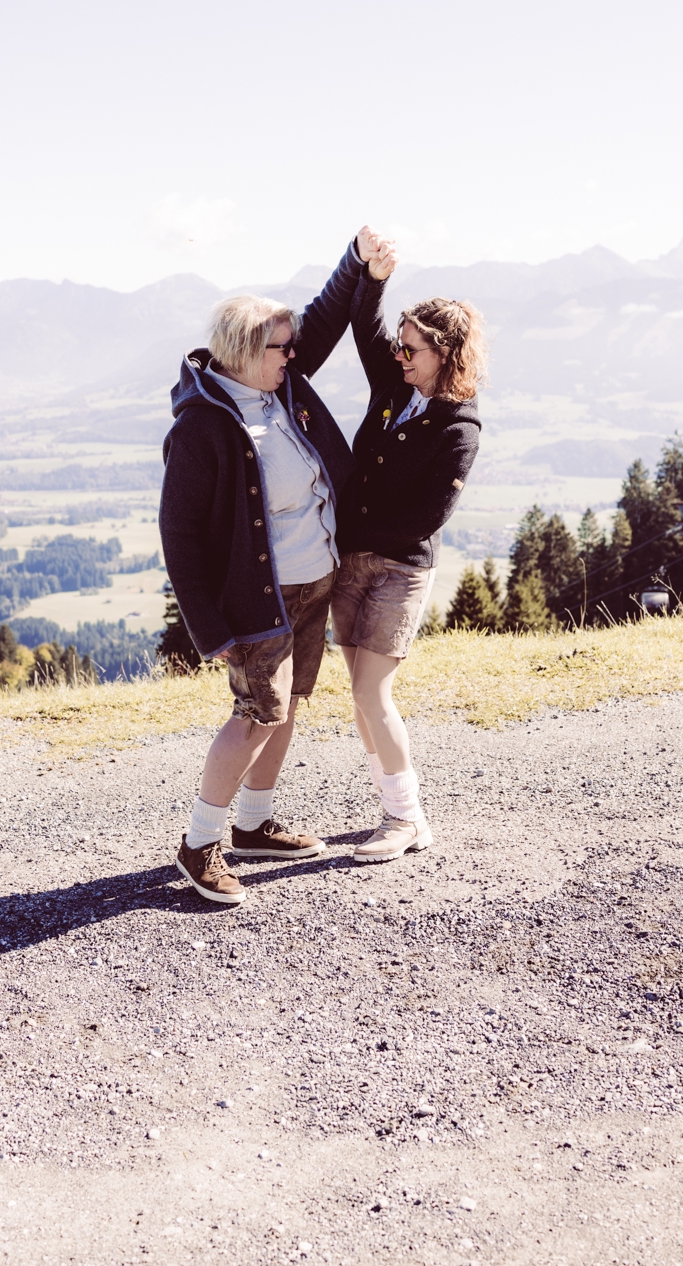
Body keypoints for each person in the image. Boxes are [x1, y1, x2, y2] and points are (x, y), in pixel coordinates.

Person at [160, 228, 398, 905]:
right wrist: (211, 630)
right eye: (281, 348)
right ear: (243, 353)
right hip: (256, 602)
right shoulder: (203, 427)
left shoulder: (279, 386)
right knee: (255, 715)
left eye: (293, 347)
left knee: (288, 704)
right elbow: (179, 534)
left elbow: (322, 318)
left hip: (310, 583)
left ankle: (253, 823)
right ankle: (199, 843)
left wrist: (357, 264)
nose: (295, 355)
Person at [332, 247, 487, 863]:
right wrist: (375, 277)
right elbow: (363, 326)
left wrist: (358, 528)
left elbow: (429, 516)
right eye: (399, 346)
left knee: (374, 695)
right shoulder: (393, 385)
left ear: (443, 355)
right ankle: (393, 809)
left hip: (400, 567)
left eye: (411, 348)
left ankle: (406, 818)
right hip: (351, 563)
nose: (398, 355)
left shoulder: (459, 427)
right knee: (359, 694)